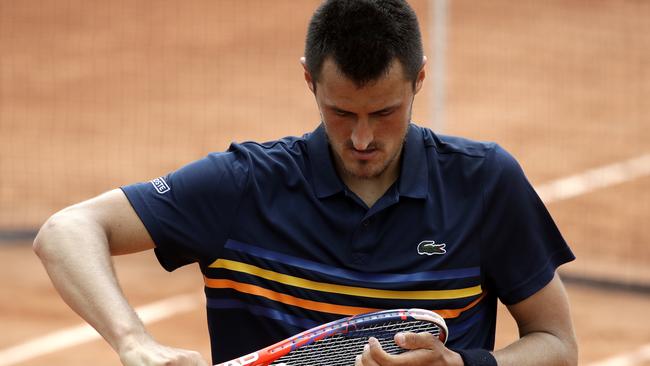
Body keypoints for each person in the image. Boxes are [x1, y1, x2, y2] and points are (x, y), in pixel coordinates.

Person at [33, 0, 578, 365]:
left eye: (385, 113)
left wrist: (463, 365)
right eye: (341, 113)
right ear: (308, 79)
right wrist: (134, 343)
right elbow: (67, 230)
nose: (362, 138)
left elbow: (556, 344)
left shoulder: (485, 182)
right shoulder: (243, 185)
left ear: (419, 79)